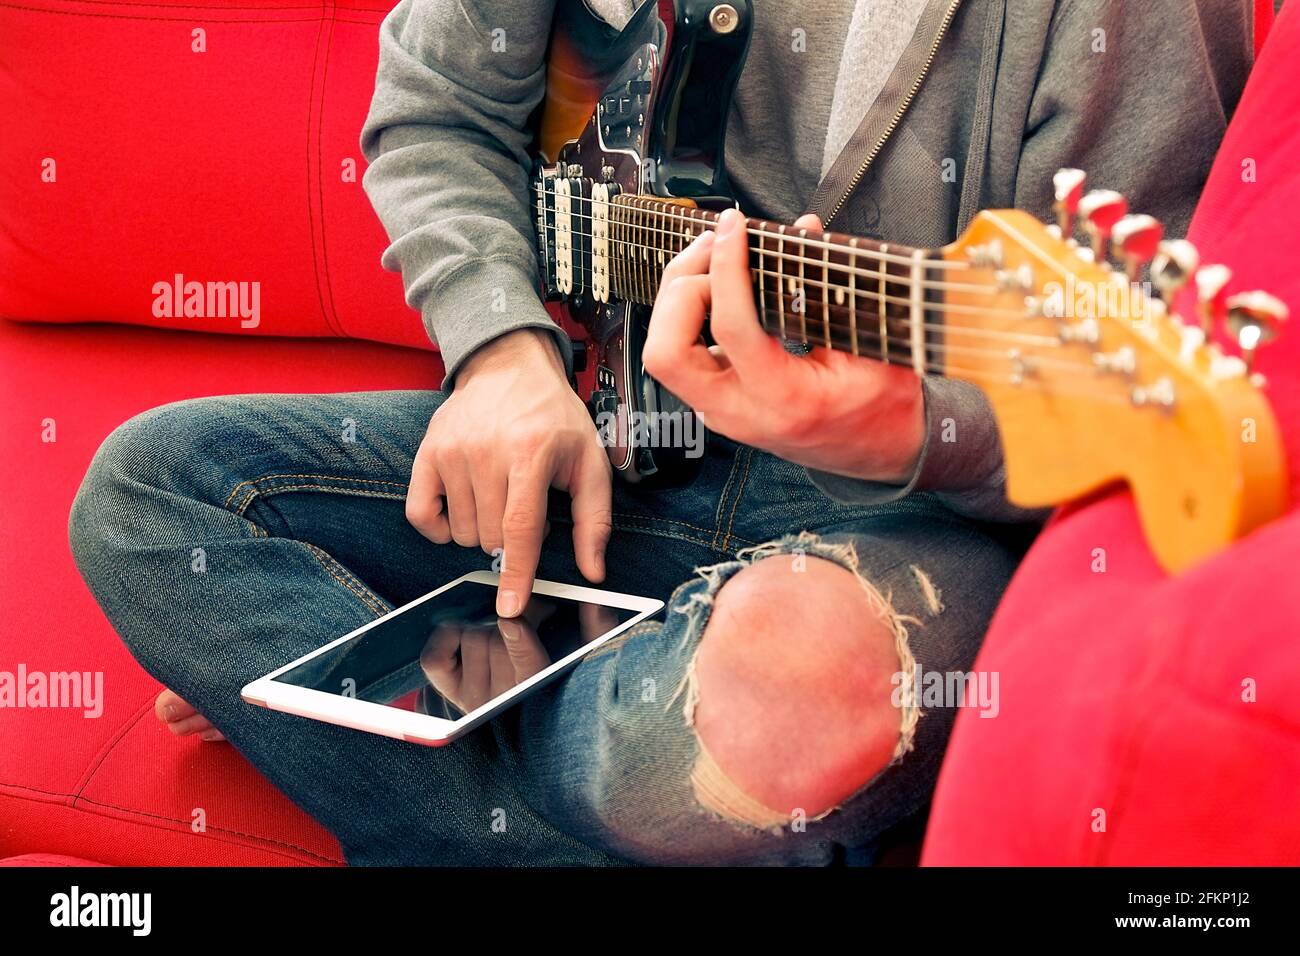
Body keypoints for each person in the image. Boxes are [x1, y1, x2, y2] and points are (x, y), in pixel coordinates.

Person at [69, 0, 1254, 865]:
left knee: (793, 695)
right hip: (593, 437)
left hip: (893, 518)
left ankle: (369, 711)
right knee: (148, 496)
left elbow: (1124, 378)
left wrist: (906, 426)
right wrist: (499, 356)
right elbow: (435, 114)